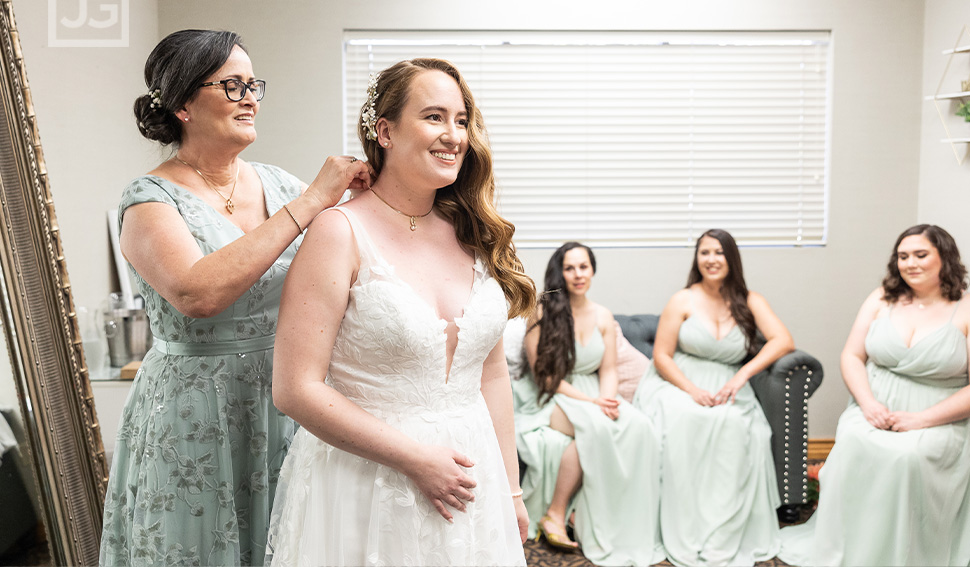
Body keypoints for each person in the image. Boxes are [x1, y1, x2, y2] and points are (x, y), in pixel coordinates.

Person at [99, 29, 371, 567]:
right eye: (231, 84)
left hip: (288, 399)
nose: (250, 97)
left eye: (253, 84)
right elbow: (197, 293)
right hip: (197, 410)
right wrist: (315, 199)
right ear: (181, 103)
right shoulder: (149, 200)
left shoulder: (278, 184)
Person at [263, 58, 535, 566]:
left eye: (461, 119)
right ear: (384, 131)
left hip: (472, 478)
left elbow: (491, 374)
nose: (453, 134)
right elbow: (295, 388)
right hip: (366, 485)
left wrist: (511, 491)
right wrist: (416, 460)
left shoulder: (474, 234)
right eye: (434, 117)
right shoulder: (338, 232)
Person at [779, 224, 970, 567]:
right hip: (874, 406)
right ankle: (854, 548)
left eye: (921, 255)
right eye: (903, 256)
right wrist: (867, 404)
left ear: (945, 258)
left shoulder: (966, 308)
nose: (910, 263)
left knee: (906, 458)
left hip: (940, 416)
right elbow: (852, 356)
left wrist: (921, 419)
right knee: (853, 441)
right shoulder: (882, 298)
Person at [632, 228, 794, 567]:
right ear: (697, 259)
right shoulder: (682, 299)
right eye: (705, 252)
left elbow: (783, 341)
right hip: (678, 383)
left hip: (729, 382)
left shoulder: (751, 300)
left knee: (739, 426)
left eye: (719, 252)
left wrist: (742, 374)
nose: (711, 259)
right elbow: (662, 356)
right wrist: (692, 391)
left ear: (731, 258)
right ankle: (686, 526)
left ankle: (722, 528)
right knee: (690, 419)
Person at [512, 242, 664, 566]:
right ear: (560, 272)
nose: (578, 274)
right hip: (552, 396)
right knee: (594, 427)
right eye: (570, 268)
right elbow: (545, 378)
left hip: (595, 392)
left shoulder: (604, 316)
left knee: (639, 426)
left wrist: (607, 399)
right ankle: (555, 513)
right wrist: (592, 403)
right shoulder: (541, 312)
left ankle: (620, 518)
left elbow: (608, 369)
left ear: (592, 270)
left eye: (584, 267)